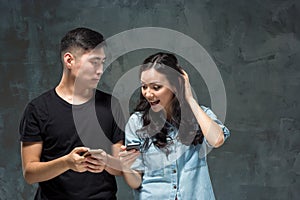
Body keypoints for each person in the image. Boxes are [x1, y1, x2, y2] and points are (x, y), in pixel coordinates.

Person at [19, 27, 125, 200]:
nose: (100, 70)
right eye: (94, 62)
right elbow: (30, 173)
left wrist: (105, 161)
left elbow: (122, 168)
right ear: (69, 60)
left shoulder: (111, 105)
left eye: (102, 62)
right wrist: (66, 163)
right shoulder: (38, 109)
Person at [119, 52, 230, 200]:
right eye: (144, 87)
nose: (148, 94)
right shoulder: (137, 122)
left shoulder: (199, 115)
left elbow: (217, 140)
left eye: (156, 87)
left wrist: (189, 98)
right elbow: (135, 182)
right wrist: (125, 166)